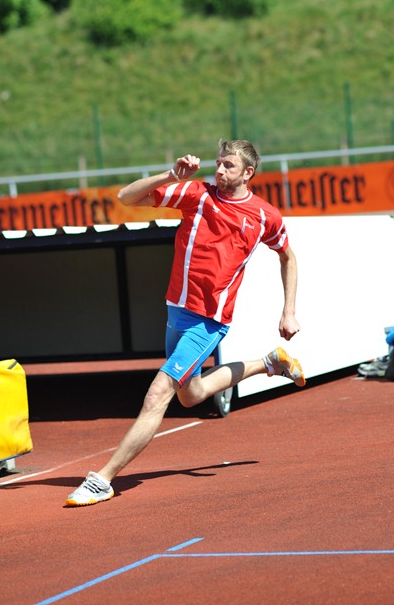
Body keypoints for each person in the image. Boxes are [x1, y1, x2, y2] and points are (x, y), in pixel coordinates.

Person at [66, 139, 305, 507]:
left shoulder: (264, 216)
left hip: (208, 321)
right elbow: (126, 197)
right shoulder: (196, 194)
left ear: (248, 172)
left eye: (228, 165)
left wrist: (288, 310)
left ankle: (103, 480)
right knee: (190, 395)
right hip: (176, 310)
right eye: (218, 163)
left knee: (157, 394)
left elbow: (288, 257)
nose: (219, 170)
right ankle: (269, 363)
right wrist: (170, 175)